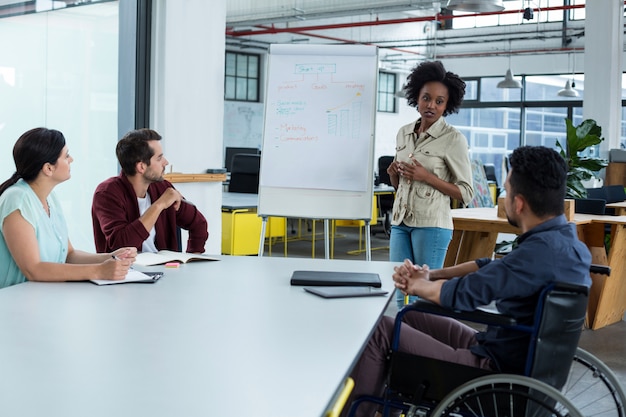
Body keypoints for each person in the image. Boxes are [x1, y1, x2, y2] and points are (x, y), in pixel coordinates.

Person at [345, 146, 592, 417]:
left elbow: (463, 295)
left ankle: (362, 412)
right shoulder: (565, 243)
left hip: (492, 371)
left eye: (507, 191)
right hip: (509, 349)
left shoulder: (538, 253)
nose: (505, 197)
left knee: (381, 329)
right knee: (413, 315)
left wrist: (416, 285)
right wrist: (431, 275)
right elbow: (489, 267)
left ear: (519, 204)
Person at [0, 127, 136, 289]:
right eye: (66, 156)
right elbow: (34, 269)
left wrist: (111, 257)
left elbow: (68, 254)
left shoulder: (50, 198)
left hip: (43, 296)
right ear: (48, 168)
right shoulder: (17, 199)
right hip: (15, 301)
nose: (71, 159)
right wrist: (98, 271)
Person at [387, 60, 474, 308]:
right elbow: (401, 186)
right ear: (417, 97)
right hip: (401, 221)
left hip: (432, 225)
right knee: (400, 288)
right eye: (426, 98)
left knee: (423, 292)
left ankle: (422, 342)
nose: (431, 105)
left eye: (439, 101)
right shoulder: (404, 132)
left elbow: (466, 193)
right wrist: (393, 173)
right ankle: (400, 340)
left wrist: (428, 177)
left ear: (447, 105)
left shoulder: (453, 139)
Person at [92, 128, 209, 254]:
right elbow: (121, 246)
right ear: (141, 167)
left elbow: (199, 224)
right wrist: (159, 205)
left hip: (166, 271)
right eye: (159, 158)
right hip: (126, 272)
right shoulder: (106, 194)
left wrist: (192, 259)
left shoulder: (162, 188)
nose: (166, 162)